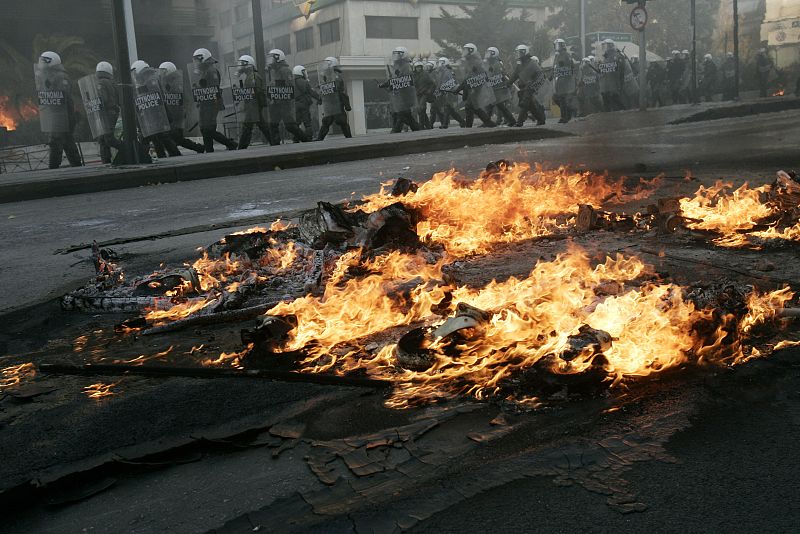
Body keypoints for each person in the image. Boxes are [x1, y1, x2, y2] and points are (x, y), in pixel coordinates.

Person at [35, 51, 83, 169]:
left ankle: (53, 170)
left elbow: (63, 96)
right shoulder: (50, 77)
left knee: (55, 141)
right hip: (57, 114)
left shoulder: (61, 77)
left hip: (62, 115)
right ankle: (77, 167)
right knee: (67, 141)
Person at [189, 48, 237, 152]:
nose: (195, 62)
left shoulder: (211, 71)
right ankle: (208, 149)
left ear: (203, 58)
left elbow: (213, 89)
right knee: (204, 128)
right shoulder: (204, 71)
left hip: (211, 104)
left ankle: (231, 144)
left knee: (209, 129)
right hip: (205, 103)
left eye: (197, 60)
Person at [131, 60, 180, 158]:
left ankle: (173, 154)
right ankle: (165, 155)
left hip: (156, 114)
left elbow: (153, 95)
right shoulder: (148, 80)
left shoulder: (151, 80)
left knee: (158, 136)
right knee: (156, 137)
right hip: (152, 114)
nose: (135, 76)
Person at [79, 61, 121, 164]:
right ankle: (108, 160)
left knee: (105, 139)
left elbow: (103, 99)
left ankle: (122, 150)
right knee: (105, 138)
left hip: (106, 113)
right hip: (112, 112)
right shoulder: (112, 83)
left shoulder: (100, 83)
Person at [265, 49, 310, 144]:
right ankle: (275, 144)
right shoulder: (274, 71)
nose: (269, 61)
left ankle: (306, 139)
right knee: (273, 125)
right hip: (276, 103)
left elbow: (289, 87)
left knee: (290, 125)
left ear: (278, 58)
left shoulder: (285, 71)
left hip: (284, 103)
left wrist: (279, 93)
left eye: (271, 58)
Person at [158, 61, 205, 154]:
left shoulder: (177, 83)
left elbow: (184, 100)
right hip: (171, 115)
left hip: (176, 116)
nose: (161, 73)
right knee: (177, 138)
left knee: (174, 138)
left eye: (163, 71)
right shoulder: (165, 83)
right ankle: (198, 148)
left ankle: (176, 153)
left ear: (169, 71)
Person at [232, 54, 271, 149]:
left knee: (248, 126)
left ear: (248, 65)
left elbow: (255, 91)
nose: (241, 67)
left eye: (242, 64)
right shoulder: (250, 76)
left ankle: (241, 146)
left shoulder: (254, 76)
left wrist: (243, 93)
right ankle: (274, 141)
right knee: (260, 125)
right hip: (252, 105)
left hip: (254, 104)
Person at [453, 43, 496, 128]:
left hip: (476, 86)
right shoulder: (470, 61)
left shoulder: (474, 61)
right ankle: (472, 125)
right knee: (471, 106)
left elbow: (473, 77)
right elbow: (467, 79)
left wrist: (459, 88)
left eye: (466, 50)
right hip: (473, 86)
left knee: (472, 106)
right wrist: (459, 89)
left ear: (471, 51)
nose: (464, 51)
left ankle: (487, 123)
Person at [379, 47, 420, 133]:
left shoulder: (406, 66)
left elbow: (403, 80)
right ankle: (416, 128)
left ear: (403, 54)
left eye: (398, 54)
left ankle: (396, 130)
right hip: (399, 95)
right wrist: (384, 84)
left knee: (401, 113)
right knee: (406, 115)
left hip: (405, 94)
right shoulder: (396, 66)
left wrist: (391, 84)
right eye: (395, 54)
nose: (396, 56)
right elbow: (394, 80)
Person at [508, 44, 546, 126]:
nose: (518, 54)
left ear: (524, 52)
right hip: (523, 87)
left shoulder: (532, 63)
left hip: (530, 86)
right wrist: (508, 83)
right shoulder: (520, 64)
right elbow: (515, 74)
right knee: (531, 105)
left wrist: (534, 85)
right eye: (518, 52)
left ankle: (519, 122)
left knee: (524, 103)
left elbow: (540, 74)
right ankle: (541, 119)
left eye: (520, 52)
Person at [316, 56, 352, 140]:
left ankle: (349, 138)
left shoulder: (336, 76)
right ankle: (319, 139)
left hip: (336, 102)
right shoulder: (327, 75)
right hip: (330, 102)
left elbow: (338, 88)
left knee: (341, 121)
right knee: (327, 122)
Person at [484, 47, 517, 126]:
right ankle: (511, 121)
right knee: (497, 106)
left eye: (489, 52)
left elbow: (501, 75)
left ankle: (488, 122)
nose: (487, 54)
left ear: (493, 53)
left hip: (498, 89)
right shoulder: (490, 64)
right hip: (494, 89)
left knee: (495, 106)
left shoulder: (497, 64)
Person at [432, 57, 465, 129]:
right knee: (451, 110)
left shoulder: (448, 71)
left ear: (444, 63)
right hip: (446, 92)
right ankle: (462, 121)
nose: (439, 64)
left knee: (447, 108)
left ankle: (445, 124)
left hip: (450, 92)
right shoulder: (442, 72)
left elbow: (452, 82)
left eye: (440, 62)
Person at [551, 38, 578, 123]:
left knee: (562, 99)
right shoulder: (557, 56)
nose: (556, 47)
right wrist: (550, 78)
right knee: (556, 98)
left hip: (565, 81)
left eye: (557, 45)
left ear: (562, 45)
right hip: (558, 81)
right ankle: (570, 111)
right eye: (555, 45)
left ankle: (564, 117)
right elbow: (555, 69)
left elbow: (571, 67)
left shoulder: (566, 55)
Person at [293, 65, 319, 139]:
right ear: (300, 72)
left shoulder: (291, 83)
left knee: (297, 123)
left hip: (295, 104)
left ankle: (296, 138)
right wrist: (319, 98)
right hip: (304, 103)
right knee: (307, 122)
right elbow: (311, 92)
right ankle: (308, 136)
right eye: (303, 72)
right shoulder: (305, 82)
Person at [597, 39, 624, 111]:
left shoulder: (616, 56)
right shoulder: (604, 58)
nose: (604, 48)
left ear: (610, 46)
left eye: (606, 46)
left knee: (617, 103)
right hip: (606, 86)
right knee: (607, 105)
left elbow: (620, 71)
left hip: (614, 85)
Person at [412, 60, 435, 129]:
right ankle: (428, 125)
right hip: (417, 94)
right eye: (417, 67)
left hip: (424, 94)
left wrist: (429, 91)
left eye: (420, 67)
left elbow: (433, 84)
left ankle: (421, 126)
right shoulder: (413, 75)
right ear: (415, 68)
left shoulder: (425, 74)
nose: (418, 68)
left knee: (421, 109)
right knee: (420, 110)